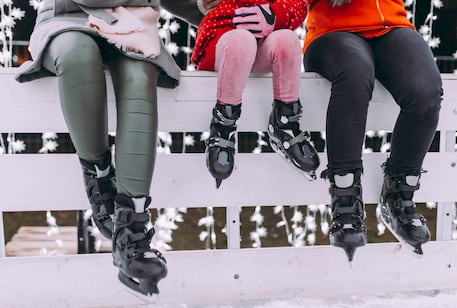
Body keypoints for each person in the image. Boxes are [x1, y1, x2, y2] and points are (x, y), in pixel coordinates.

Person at [15, 0, 211, 299]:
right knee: (76, 56)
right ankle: (99, 174)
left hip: (133, 26)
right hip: (70, 20)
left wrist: (223, 15)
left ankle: (132, 231)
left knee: (140, 75)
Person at [302, 0, 443, 261]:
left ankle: (399, 193)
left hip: (392, 26)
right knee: (355, 75)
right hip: (332, 32)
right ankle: (345, 199)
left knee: (426, 92)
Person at [192, 0, 320, 188]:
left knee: (288, 40)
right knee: (241, 41)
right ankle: (223, 125)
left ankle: (285, 122)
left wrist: (276, 14)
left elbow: (300, 3)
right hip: (226, 33)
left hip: (267, 35)